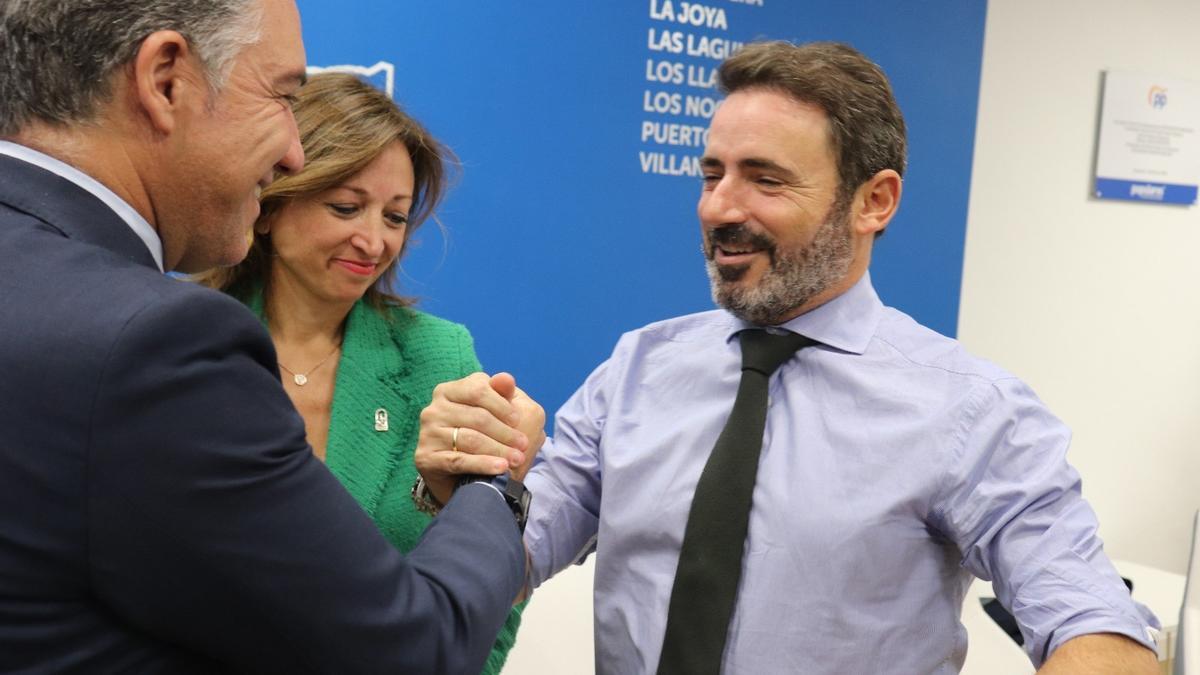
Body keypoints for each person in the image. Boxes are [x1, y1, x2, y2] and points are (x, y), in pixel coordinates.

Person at [415, 41, 1161, 673]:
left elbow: (1090, 617)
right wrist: (473, 490)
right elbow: (518, 555)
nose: (720, 208)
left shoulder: (971, 411)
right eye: (713, 174)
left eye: (765, 179)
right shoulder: (637, 368)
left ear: (875, 201)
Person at [0, 1, 537, 672]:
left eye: (396, 216)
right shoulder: (165, 343)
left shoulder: (437, 354)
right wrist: (496, 488)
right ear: (165, 80)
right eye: (282, 97)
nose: (289, 150)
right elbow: (409, 648)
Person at [195, 71, 527, 675]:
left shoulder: (441, 359)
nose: (373, 241)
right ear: (269, 204)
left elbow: (491, 586)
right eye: (346, 207)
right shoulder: (183, 343)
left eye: (395, 218)